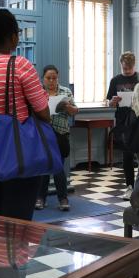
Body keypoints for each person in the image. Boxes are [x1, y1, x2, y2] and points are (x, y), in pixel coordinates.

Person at [0, 3, 50, 221]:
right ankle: (12, 257)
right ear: (13, 37)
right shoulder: (20, 65)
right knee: (17, 224)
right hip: (15, 148)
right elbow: (43, 112)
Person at [35, 65, 78, 211]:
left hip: (60, 133)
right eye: (48, 78)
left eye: (54, 78)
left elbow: (74, 111)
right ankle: (41, 198)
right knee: (43, 165)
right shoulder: (38, 92)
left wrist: (67, 107)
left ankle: (63, 198)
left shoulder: (65, 91)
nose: (52, 81)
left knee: (58, 165)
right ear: (43, 78)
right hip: (42, 133)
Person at [106, 52, 139, 200]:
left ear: (134, 65)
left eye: (129, 67)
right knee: (127, 155)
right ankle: (129, 186)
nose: (126, 70)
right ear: (121, 64)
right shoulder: (115, 80)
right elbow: (109, 102)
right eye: (124, 67)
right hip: (122, 120)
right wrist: (112, 101)